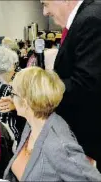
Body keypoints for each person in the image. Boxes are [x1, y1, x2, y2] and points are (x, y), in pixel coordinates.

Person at [4, 67, 101, 181]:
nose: (11, 98)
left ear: (25, 103)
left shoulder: (58, 145)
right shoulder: (32, 123)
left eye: (13, 94)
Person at [41, 0, 101, 171]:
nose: (45, 12)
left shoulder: (91, 20)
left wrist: (38, 92)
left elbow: (86, 84)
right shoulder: (86, 18)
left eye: (46, 4)